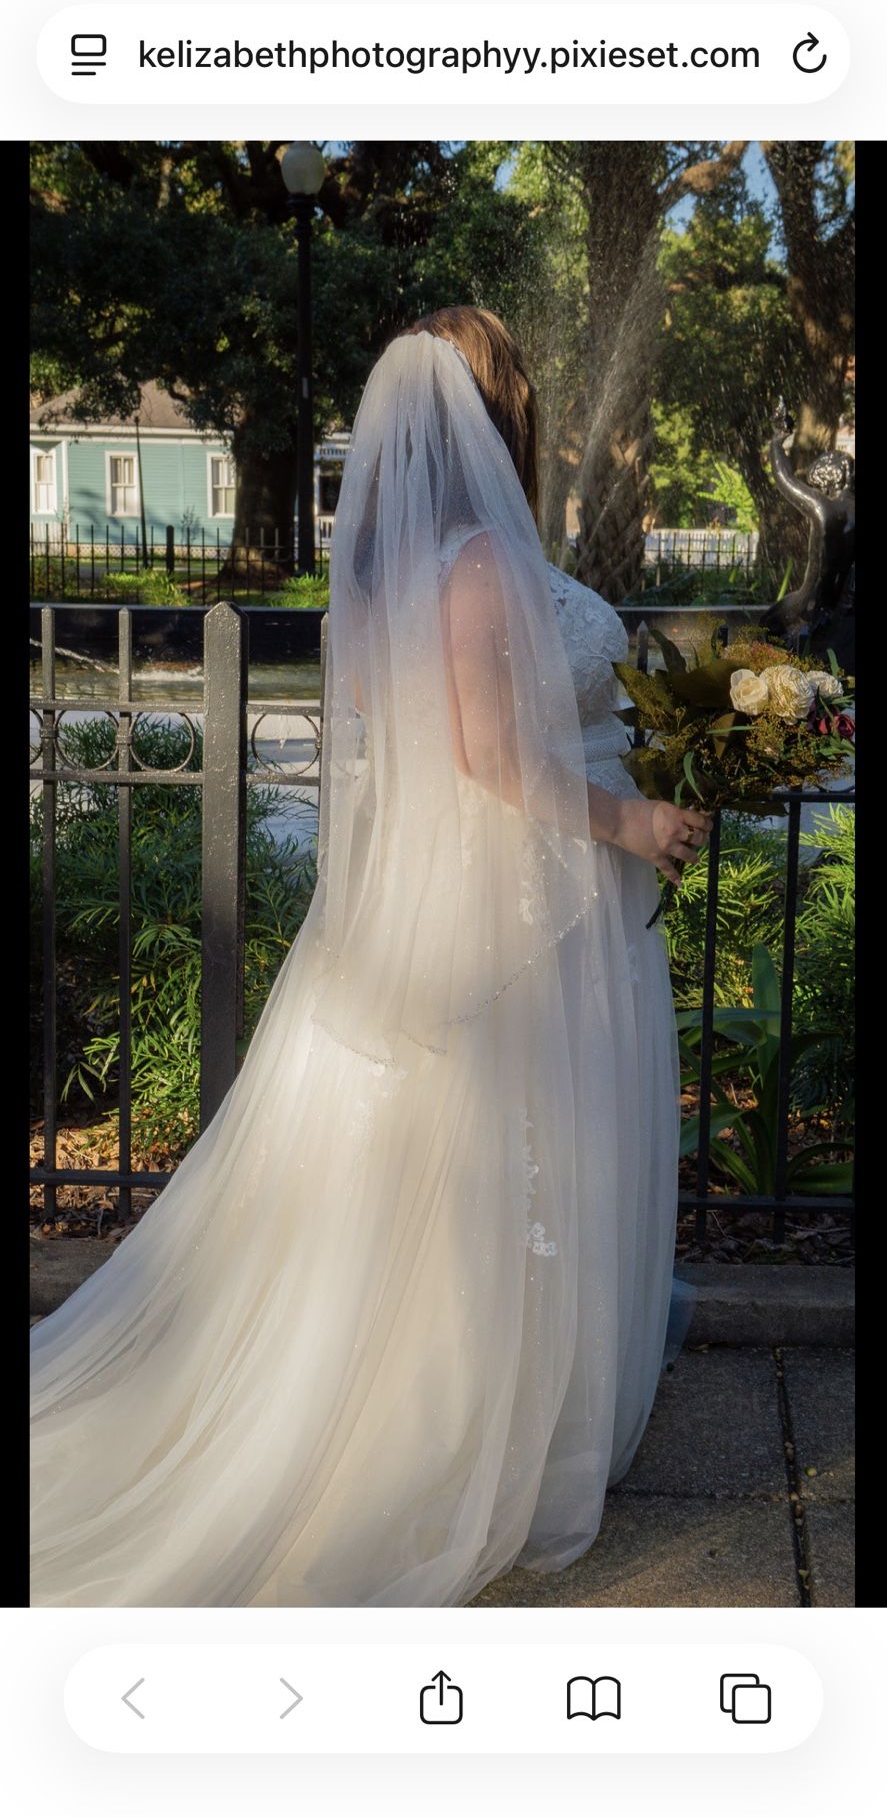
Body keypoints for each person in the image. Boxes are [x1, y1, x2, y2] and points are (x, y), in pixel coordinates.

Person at [31, 307, 711, 1607]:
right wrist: (636, 818)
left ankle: (506, 1403)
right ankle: (461, 1426)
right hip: (507, 930)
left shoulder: (395, 573)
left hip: (484, 914)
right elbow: (489, 759)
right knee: (495, 1164)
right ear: (496, 420)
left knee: (473, 1169)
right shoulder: (470, 570)